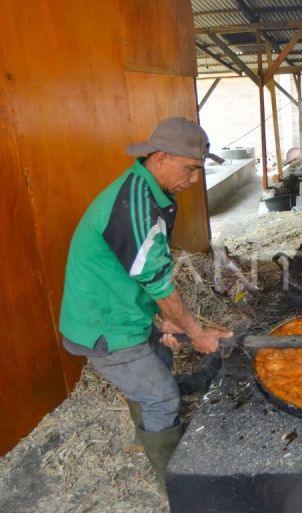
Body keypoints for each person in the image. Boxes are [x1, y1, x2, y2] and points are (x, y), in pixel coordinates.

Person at [59, 117, 233, 494]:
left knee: (161, 363)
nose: (194, 179)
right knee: (162, 396)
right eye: (190, 169)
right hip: (104, 324)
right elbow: (160, 284)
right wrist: (197, 333)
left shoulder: (150, 191)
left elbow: (138, 270)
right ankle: (176, 486)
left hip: (125, 311)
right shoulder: (134, 205)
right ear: (160, 158)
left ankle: (152, 421)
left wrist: (166, 322)